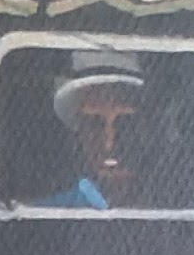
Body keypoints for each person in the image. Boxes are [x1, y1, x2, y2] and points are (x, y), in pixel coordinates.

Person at [35, 61, 149, 209]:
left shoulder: (174, 201)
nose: (109, 143)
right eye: (95, 124)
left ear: (144, 129)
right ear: (79, 132)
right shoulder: (50, 213)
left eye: (126, 124)